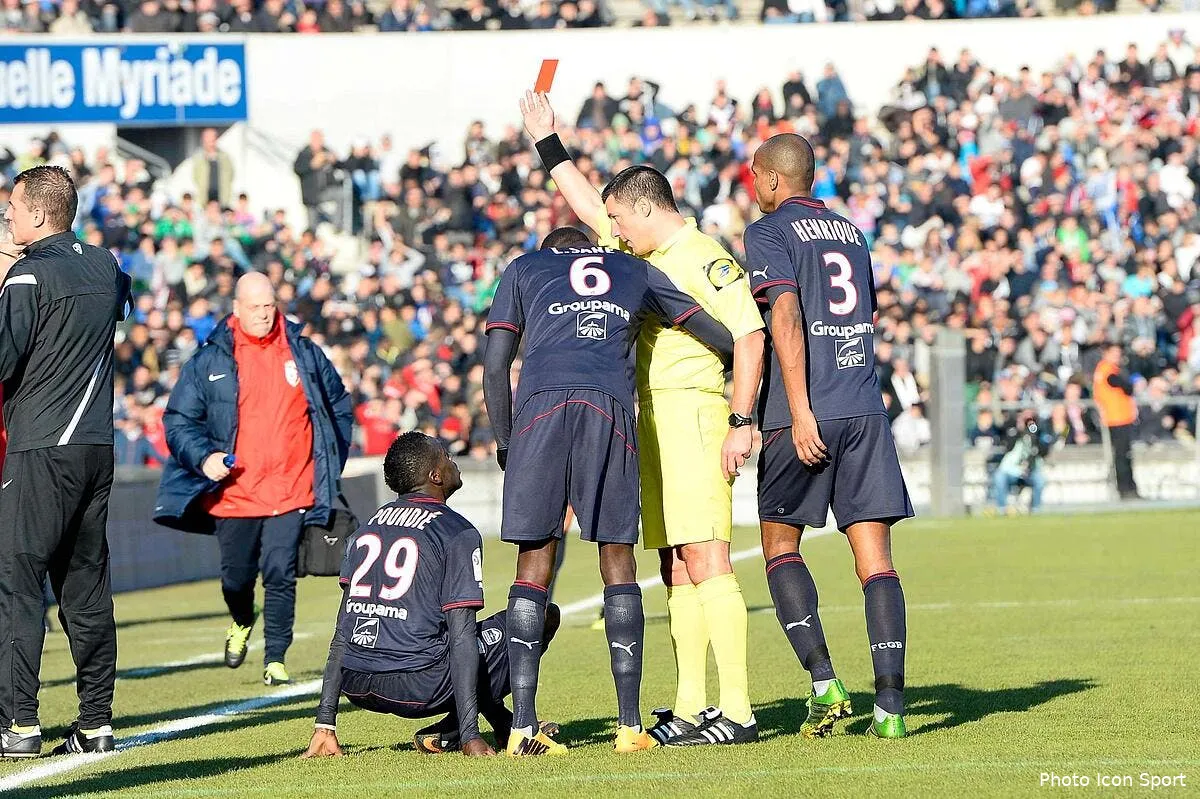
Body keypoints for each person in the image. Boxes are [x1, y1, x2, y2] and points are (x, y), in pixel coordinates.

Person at [520, 91, 766, 748]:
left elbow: (749, 333)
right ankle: (690, 707)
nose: (612, 231)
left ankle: (737, 709)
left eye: (618, 220)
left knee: (709, 555)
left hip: (695, 416)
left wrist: (744, 418)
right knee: (675, 565)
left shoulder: (702, 255)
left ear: (645, 209)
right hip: (647, 421)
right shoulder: (638, 258)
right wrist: (547, 141)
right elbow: (581, 203)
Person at [483, 226, 735, 755]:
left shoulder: (524, 268)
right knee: (616, 558)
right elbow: (709, 328)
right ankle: (629, 727)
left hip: (540, 413)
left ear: (553, 253)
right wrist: (738, 361)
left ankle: (523, 729)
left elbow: (495, 363)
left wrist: (507, 441)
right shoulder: (634, 268)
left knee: (534, 563)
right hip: (608, 411)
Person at [743, 133, 914, 739]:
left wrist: (800, 409)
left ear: (770, 179)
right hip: (864, 406)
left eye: (754, 176)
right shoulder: (851, 231)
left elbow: (784, 316)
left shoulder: (767, 231)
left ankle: (825, 682)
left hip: (806, 412)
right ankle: (891, 708)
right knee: (876, 563)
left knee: (779, 546)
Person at [303, 432, 561, 759]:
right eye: (446, 456)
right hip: (417, 686)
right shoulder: (456, 531)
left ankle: (490, 726)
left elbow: (343, 631)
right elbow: (462, 637)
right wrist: (471, 736)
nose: (453, 461)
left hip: (356, 683)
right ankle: (461, 731)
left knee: (463, 641)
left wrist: (325, 723)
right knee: (536, 617)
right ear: (435, 476)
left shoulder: (366, 528)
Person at [154, 273, 353, 687]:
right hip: (235, 494)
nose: (264, 315)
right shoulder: (209, 359)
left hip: (291, 488)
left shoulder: (303, 352)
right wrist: (204, 457)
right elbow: (177, 420)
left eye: (269, 307)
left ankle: (276, 658)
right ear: (237, 309)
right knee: (236, 577)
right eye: (255, 308)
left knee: (280, 572)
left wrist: (329, 462)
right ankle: (242, 618)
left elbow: (338, 405)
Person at [0, 165, 131, 758]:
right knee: (86, 588)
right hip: (96, 448)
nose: (8, 217)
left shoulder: (27, 277)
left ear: (37, 214)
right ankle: (96, 722)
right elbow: (116, 299)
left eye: (12, 208)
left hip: (40, 447)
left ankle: (19, 723)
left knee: (17, 583)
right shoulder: (104, 265)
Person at [1092, 344, 1140, 500]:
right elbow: (1126, 386)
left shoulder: (1107, 370)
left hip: (1120, 417)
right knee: (1122, 455)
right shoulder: (1108, 371)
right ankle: (1125, 489)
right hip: (1116, 418)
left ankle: (1129, 487)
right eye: (1114, 353)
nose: (1117, 357)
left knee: (1124, 455)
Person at [992, 410, 1053, 514]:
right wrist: (1018, 428)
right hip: (1012, 470)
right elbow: (1008, 446)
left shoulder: (1037, 433)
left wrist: (1034, 433)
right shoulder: (1012, 430)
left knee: (1040, 480)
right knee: (999, 476)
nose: (1027, 422)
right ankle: (1002, 509)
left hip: (1030, 471)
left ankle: (1035, 509)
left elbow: (1044, 451)